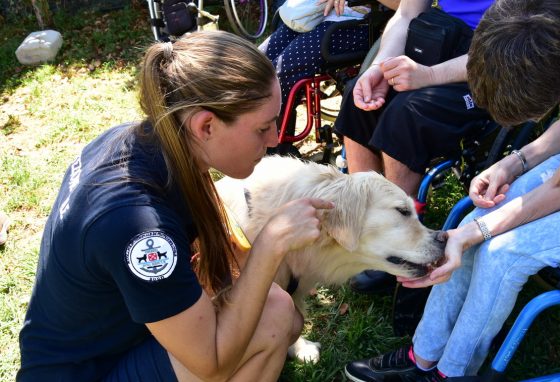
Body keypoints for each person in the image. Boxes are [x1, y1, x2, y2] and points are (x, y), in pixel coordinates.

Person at [344, 0, 560, 380]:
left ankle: (450, 374)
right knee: (477, 220)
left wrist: (472, 236)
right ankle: (421, 356)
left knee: (506, 253)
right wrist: (510, 163)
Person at [18, 30, 334, 382]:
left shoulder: (146, 141)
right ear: (206, 126)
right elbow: (211, 363)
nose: (276, 139)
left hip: (111, 347)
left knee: (280, 315)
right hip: (87, 373)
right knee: (273, 318)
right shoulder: (137, 226)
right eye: (262, 128)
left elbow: (222, 265)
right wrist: (271, 245)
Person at [338, 0, 494, 293]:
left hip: (489, 69)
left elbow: (511, 48)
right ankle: (365, 226)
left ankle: (404, 243)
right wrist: (378, 69)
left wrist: (430, 76)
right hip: (439, 43)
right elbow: (407, 13)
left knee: (407, 115)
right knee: (358, 99)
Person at [263, 0, 399, 130]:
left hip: (363, 22)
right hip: (319, 12)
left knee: (278, 75)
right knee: (257, 65)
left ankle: (272, 142)